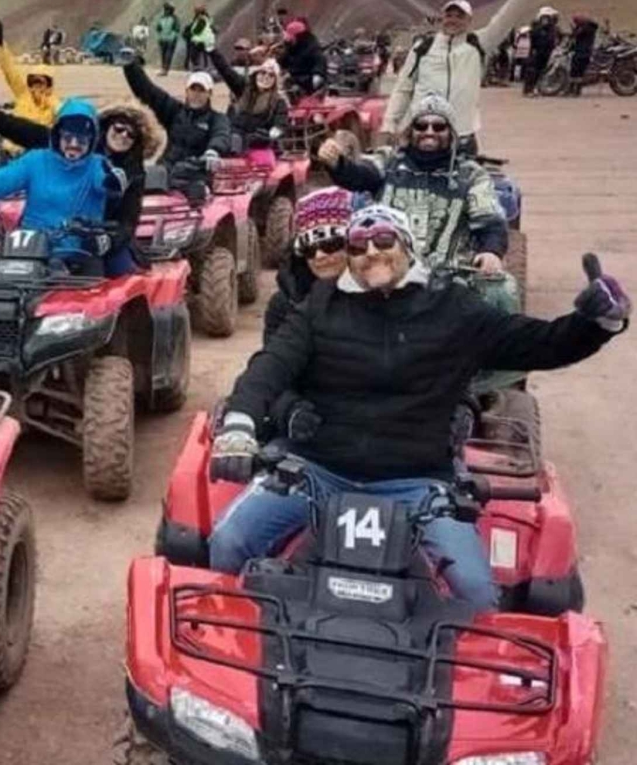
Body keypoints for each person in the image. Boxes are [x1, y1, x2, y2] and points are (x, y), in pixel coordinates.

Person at [205, 204, 628, 609]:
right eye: (358, 245)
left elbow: (541, 343)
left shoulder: (455, 308)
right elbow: (269, 368)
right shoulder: (319, 306)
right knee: (229, 540)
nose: (371, 251)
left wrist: (596, 324)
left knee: (477, 591)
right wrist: (239, 423)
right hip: (318, 470)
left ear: (407, 245)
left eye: (383, 239)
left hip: (417, 482)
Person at [0, 92, 165, 275]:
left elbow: (128, 220)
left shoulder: (134, 173)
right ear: (107, 127)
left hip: (98, 235)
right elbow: (34, 134)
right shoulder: (78, 140)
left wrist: (109, 241)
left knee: (121, 273)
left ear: (137, 142)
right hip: (49, 232)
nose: (123, 136)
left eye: (131, 135)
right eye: (119, 128)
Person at [318, 94, 506, 280]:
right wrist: (337, 163)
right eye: (421, 125)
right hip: (388, 277)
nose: (429, 131)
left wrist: (491, 251)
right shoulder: (389, 161)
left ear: (451, 133)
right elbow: (360, 174)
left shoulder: (472, 175)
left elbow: (490, 221)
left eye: (439, 126)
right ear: (411, 130)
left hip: (450, 281)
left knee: (502, 291)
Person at [384, 0, 545, 146]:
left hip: (462, 134)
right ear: (442, 18)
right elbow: (403, 89)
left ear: (469, 20)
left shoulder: (477, 43)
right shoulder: (422, 48)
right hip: (424, 132)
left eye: (459, 16)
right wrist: (389, 124)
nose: (453, 20)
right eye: (449, 15)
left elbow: (505, 18)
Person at [0, 100, 113, 271]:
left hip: (77, 254)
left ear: (92, 141)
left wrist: (114, 182)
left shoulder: (98, 165)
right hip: (30, 249)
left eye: (81, 140)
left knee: (92, 291)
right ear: (57, 135)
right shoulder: (36, 160)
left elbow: (108, 181)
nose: (73, 144)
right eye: (67, 137)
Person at [262, 187, 352, 341]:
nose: (319, 256)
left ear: (353, 245)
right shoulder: (285, 303)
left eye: (330, 244)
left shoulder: (379, 293)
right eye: (308, 249)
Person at [0, 19, 61, 152]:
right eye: (33, 82)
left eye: (41, 82)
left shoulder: (54, 103)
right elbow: (9, 68)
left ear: (48, 84)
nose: (37, 86)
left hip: (33, 152)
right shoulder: (23, 93)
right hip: (10, 151)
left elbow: (63, 117)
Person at [209, 48, 289, 158]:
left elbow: (281, 122)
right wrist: (212, 51)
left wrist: (273, 132)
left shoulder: (278, 102)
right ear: (256, 74)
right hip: (235, 138)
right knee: (230, 141)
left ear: (275, 81)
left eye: (271, 75)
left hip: (260, 143)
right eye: (263, 72)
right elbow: (226, 71)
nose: (265, 77)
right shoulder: (243, 88)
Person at [278, 20, 326, 94]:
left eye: (292, 38)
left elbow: (317, 77)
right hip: (288, 84)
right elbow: (282, 62)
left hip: (305, 87)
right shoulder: (292, 48)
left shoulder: (313, 51)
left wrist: (297, 81)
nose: (289, 40)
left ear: (299, 37)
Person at [523, 6, 560, 97]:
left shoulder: (551, 29)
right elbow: (535, 40)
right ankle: (528, 90)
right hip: (537, 52)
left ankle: (534, 88)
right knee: (532, 71)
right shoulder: (537, 29)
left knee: (540, 71)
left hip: (545, 52)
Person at [567, 15, 599, 95]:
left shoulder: (584, 29)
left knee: (574, 72)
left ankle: (572, 90)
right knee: (580, 73)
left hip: (580, 52)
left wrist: (573, 29)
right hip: (586, 53)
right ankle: (577, 90)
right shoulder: (591, 30)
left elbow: (575, 36)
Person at [155, 3, 182, 75]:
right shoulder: (162, 18)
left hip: (171, 40)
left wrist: (172, 38)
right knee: (163, 54)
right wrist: (159, 37)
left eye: (168, 9)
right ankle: (163, 68)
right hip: (163, 39)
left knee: (168, 55)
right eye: (166, 9)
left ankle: (165, 69)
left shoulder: (174, 19)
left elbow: (176, 29)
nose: (166, 10)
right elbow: (158, 28)